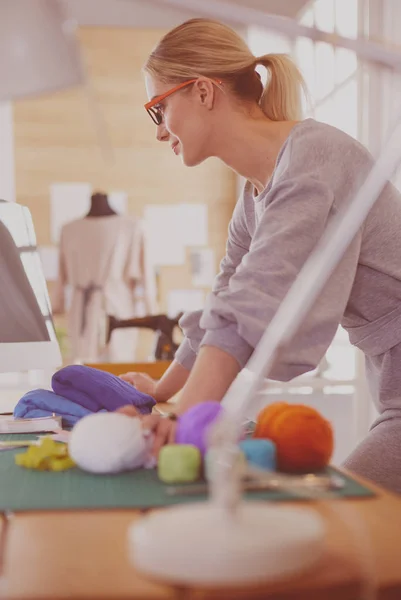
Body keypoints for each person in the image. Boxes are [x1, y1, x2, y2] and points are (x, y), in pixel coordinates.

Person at [120, 18, 401, 493]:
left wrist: (187, 420)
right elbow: (226, 299)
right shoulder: (254, 196)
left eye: (159, 108)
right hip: (390, 380)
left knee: (345, 518)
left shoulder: (313, 157)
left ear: (204, 92)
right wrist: (163, 391)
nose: (159, 131)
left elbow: (256, 298)